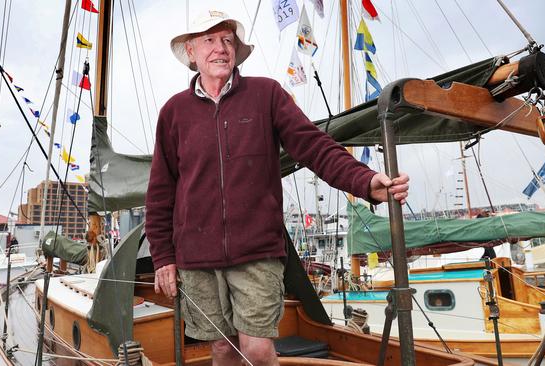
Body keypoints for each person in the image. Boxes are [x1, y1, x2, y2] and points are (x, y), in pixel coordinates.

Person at [144, 10, 409, 366]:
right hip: (195, 256)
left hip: (257, 251)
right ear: (192, 52)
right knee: (221, 347)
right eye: (209, 40)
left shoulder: (266, 94)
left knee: (256, 349)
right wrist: (163, 257)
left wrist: (365, 181)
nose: (220, 48)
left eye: (227, 40)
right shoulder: (173, 113)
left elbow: (315, 146)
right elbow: (161, 192)